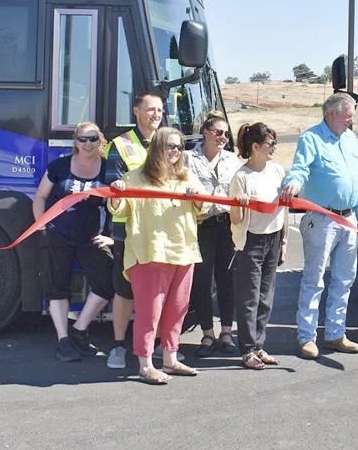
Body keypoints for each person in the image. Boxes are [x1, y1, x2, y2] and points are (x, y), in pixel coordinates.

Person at [108, 128, 208, 385]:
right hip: (149, 252)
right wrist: (117, 193)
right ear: (157, 149)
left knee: (177, 309)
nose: (175, 151)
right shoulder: (135, 178)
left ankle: (170, 358)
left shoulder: (187, 177)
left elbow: (203, 206)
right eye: (169, 146)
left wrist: (196, 199)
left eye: (178, 146)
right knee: (149, 312)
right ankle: (145, 363)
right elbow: (117, 210)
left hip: (183, 252)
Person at [280, 93, 358, 359]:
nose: (352, 120)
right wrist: (293, 183)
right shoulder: (311, 138)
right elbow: (300, 169)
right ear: (331, 114)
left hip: (349, 218)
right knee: (314, 279)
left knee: (344, 278)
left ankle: (336, 334)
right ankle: (306, 336)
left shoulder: (350, 139)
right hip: (322, 219)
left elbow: (355, 179)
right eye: (348, 114)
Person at [31, 121, 117, 362]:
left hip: (92, 238)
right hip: (58, 235)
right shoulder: (59, 166)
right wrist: (42, 226)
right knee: (57, 287)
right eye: (83, 139)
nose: (88, 144)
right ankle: (63, 340)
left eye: (93, 139)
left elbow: (117, 206)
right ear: (75, 142)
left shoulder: (108, 170)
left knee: (106, 284)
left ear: (100, 140)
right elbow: (40, 197)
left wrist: (110, 236)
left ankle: (79, 330)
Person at [104, 92, 163, 370]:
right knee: (124, 290)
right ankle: (118, 346)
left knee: (157, 292)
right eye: (150, 109)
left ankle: (159, 346)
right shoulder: (120, 145)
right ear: (136, 111)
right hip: (127, 230)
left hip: (161, 231)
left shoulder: (167, 143)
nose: (156, 115)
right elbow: (112, 190)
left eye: (160, 110)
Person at [228, 122, 288, 369]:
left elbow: (282, 209)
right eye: (270, 143)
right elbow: (235, 219)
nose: (274, 147)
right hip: (250, 241)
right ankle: (247, 349)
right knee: (249, 297)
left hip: (273, 237)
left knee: (266, 296)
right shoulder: (241, 177)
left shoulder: (277, 171)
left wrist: (283, 241)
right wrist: (239, 204)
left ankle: (259, 345)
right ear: (255, 146)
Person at [186, 113, 240, 358]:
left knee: (227, 278)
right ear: (206, 132)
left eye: (226, 134)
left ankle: (226, 332)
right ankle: (207, 333)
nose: (223, 138)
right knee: (202, 281)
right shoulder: (187, 158)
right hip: (200, 226)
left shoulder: (233, 159)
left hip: (227, 226)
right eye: (219, 132)